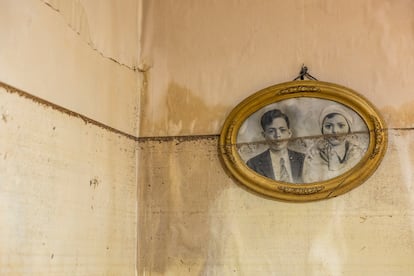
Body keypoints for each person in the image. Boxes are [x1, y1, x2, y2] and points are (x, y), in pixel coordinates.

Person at [302, 105, 365, 183]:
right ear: (322, 130)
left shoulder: (358, 153)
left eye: (341, 126)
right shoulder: (313, 155)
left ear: (349, 129)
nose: (335, 131)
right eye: (328, 126)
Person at [246, 109, 305, 183]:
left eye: (282, 130)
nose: (277, 135)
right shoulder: (253, 164)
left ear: (289, 133)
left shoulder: (303, 159)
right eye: (271, 131)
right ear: (264, 135)